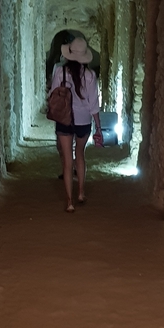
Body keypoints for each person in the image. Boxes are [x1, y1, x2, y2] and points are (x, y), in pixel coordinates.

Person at [47, 36, 104, 212]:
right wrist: (98, 126)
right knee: (80, 154)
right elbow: (93, 103)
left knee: (66, 161)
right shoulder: (90, 75)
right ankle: (80, 192)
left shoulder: (60, 72)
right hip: (83, 121)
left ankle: (70, 202)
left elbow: (53, 95)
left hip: (64, 120)